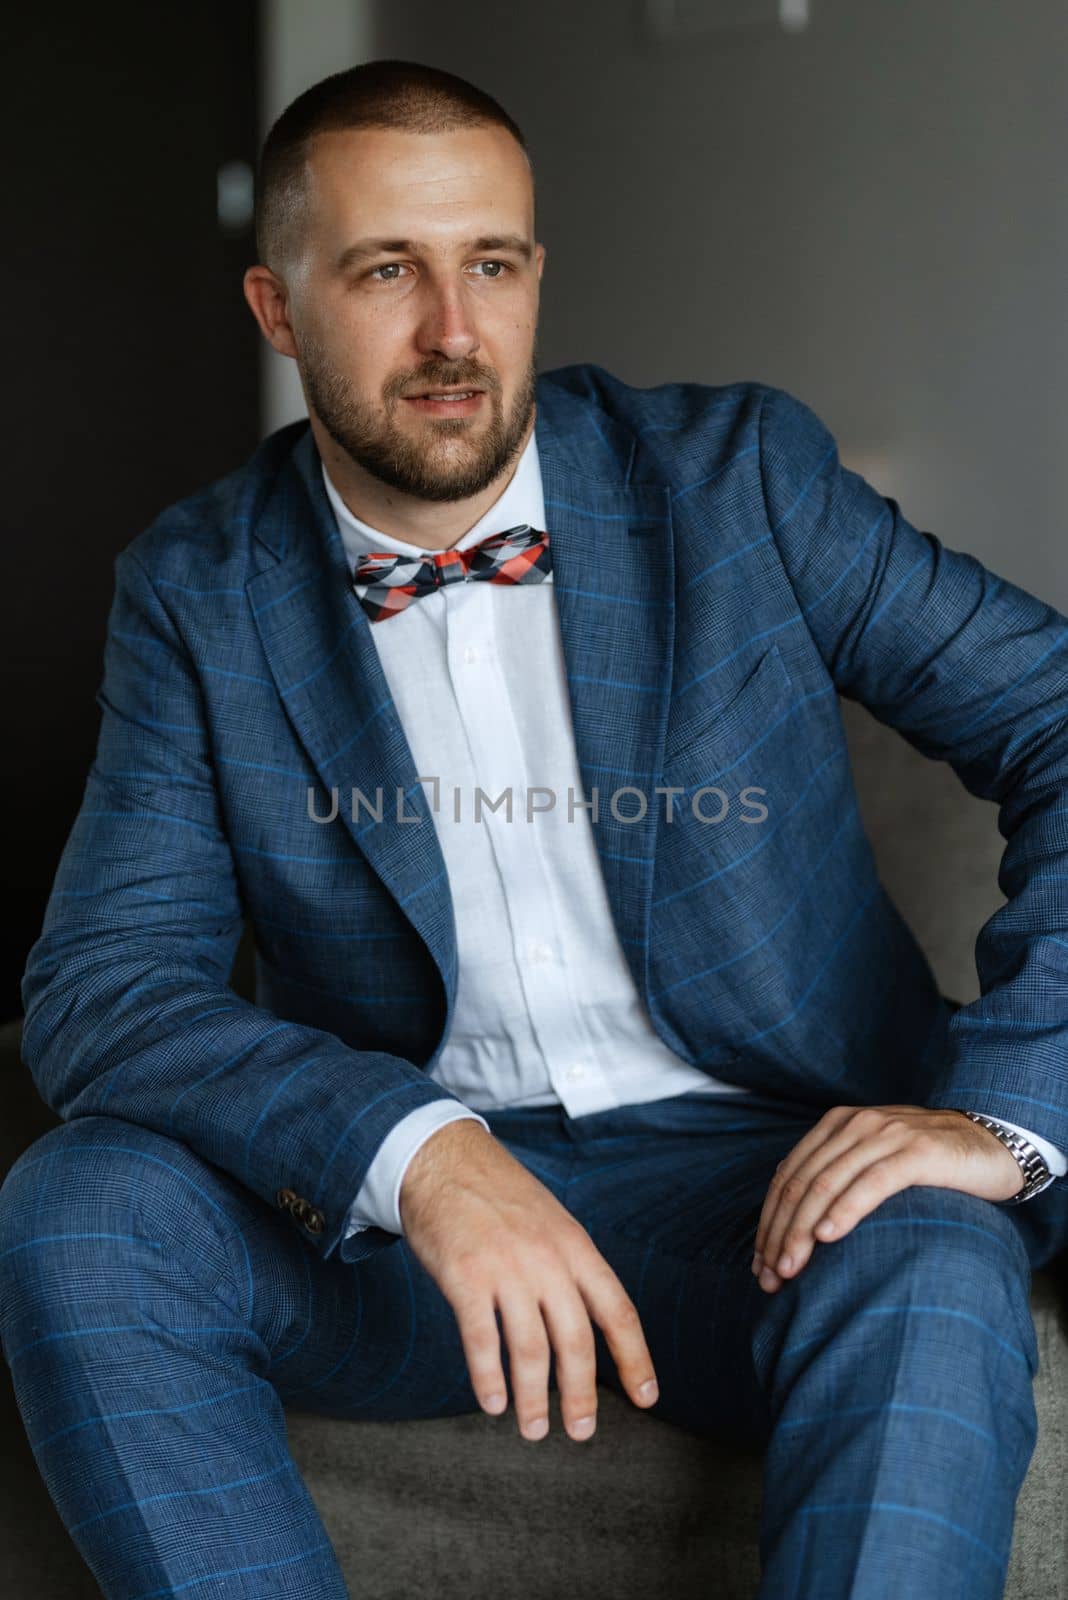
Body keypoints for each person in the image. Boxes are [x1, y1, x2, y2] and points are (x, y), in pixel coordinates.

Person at [2, 55, 1067, 1600]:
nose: (454, 332)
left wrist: (1000, 1110)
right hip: (413, 1231)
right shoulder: (196, 587)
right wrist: (418, 1153)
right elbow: (102, 988)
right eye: (387, 271)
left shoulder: (739, 480)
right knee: (77, 1207)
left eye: (490, 263)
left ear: (536, 273)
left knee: (932, 1253)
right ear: (276, 309)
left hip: (774, 1181)